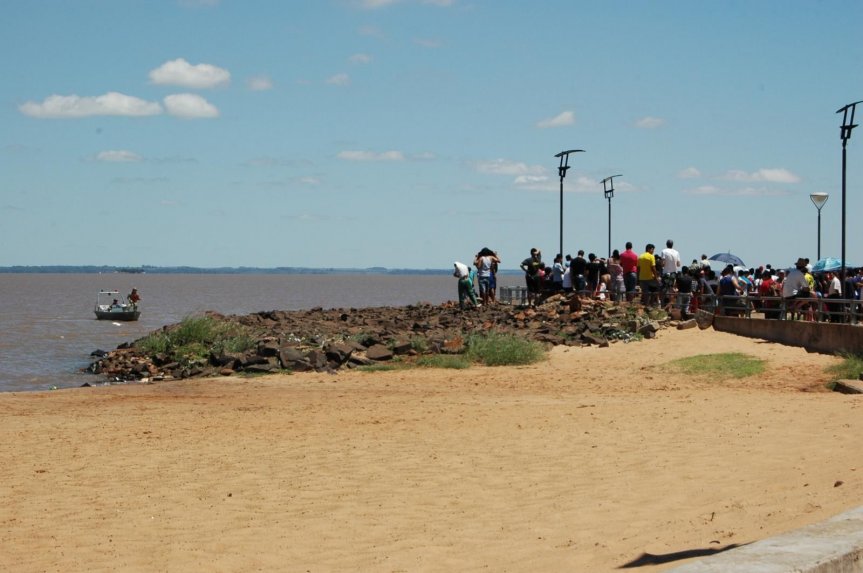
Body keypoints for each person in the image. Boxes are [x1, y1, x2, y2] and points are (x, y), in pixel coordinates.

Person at [659, 239, 681, 304]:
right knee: (671, 289)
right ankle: (670, 305)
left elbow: (662, 263)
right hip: (673, 273)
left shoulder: (664, 251)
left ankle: (663, 304)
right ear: (672, 245)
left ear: (666, 244)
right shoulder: (677, 252)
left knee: (664, 289)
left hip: (666, 272)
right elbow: (678, 264)